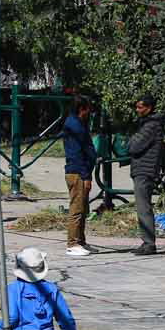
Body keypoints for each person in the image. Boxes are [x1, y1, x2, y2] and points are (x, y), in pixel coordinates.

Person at [123, 97, 165, 256]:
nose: (138, 110)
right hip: (142, 170)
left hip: (144, 170)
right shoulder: (147, 124)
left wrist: (129, 142)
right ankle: (146, 242)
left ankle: (149, 244)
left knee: (143, 208)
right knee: (142, 207)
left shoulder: (151, 126)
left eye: (140, 107)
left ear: (149, 108)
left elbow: (133, 146)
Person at [60, 97, 96, 258]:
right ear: (82, 108)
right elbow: (77, 154)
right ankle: (72, 243)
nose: (90, 112)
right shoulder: (73, 126)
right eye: (88, 108)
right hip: (77, 172)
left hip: (81, 171)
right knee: (77, 208)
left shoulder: (79, 123)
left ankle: (80, 241)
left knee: (83, 208)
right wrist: (86, 175)